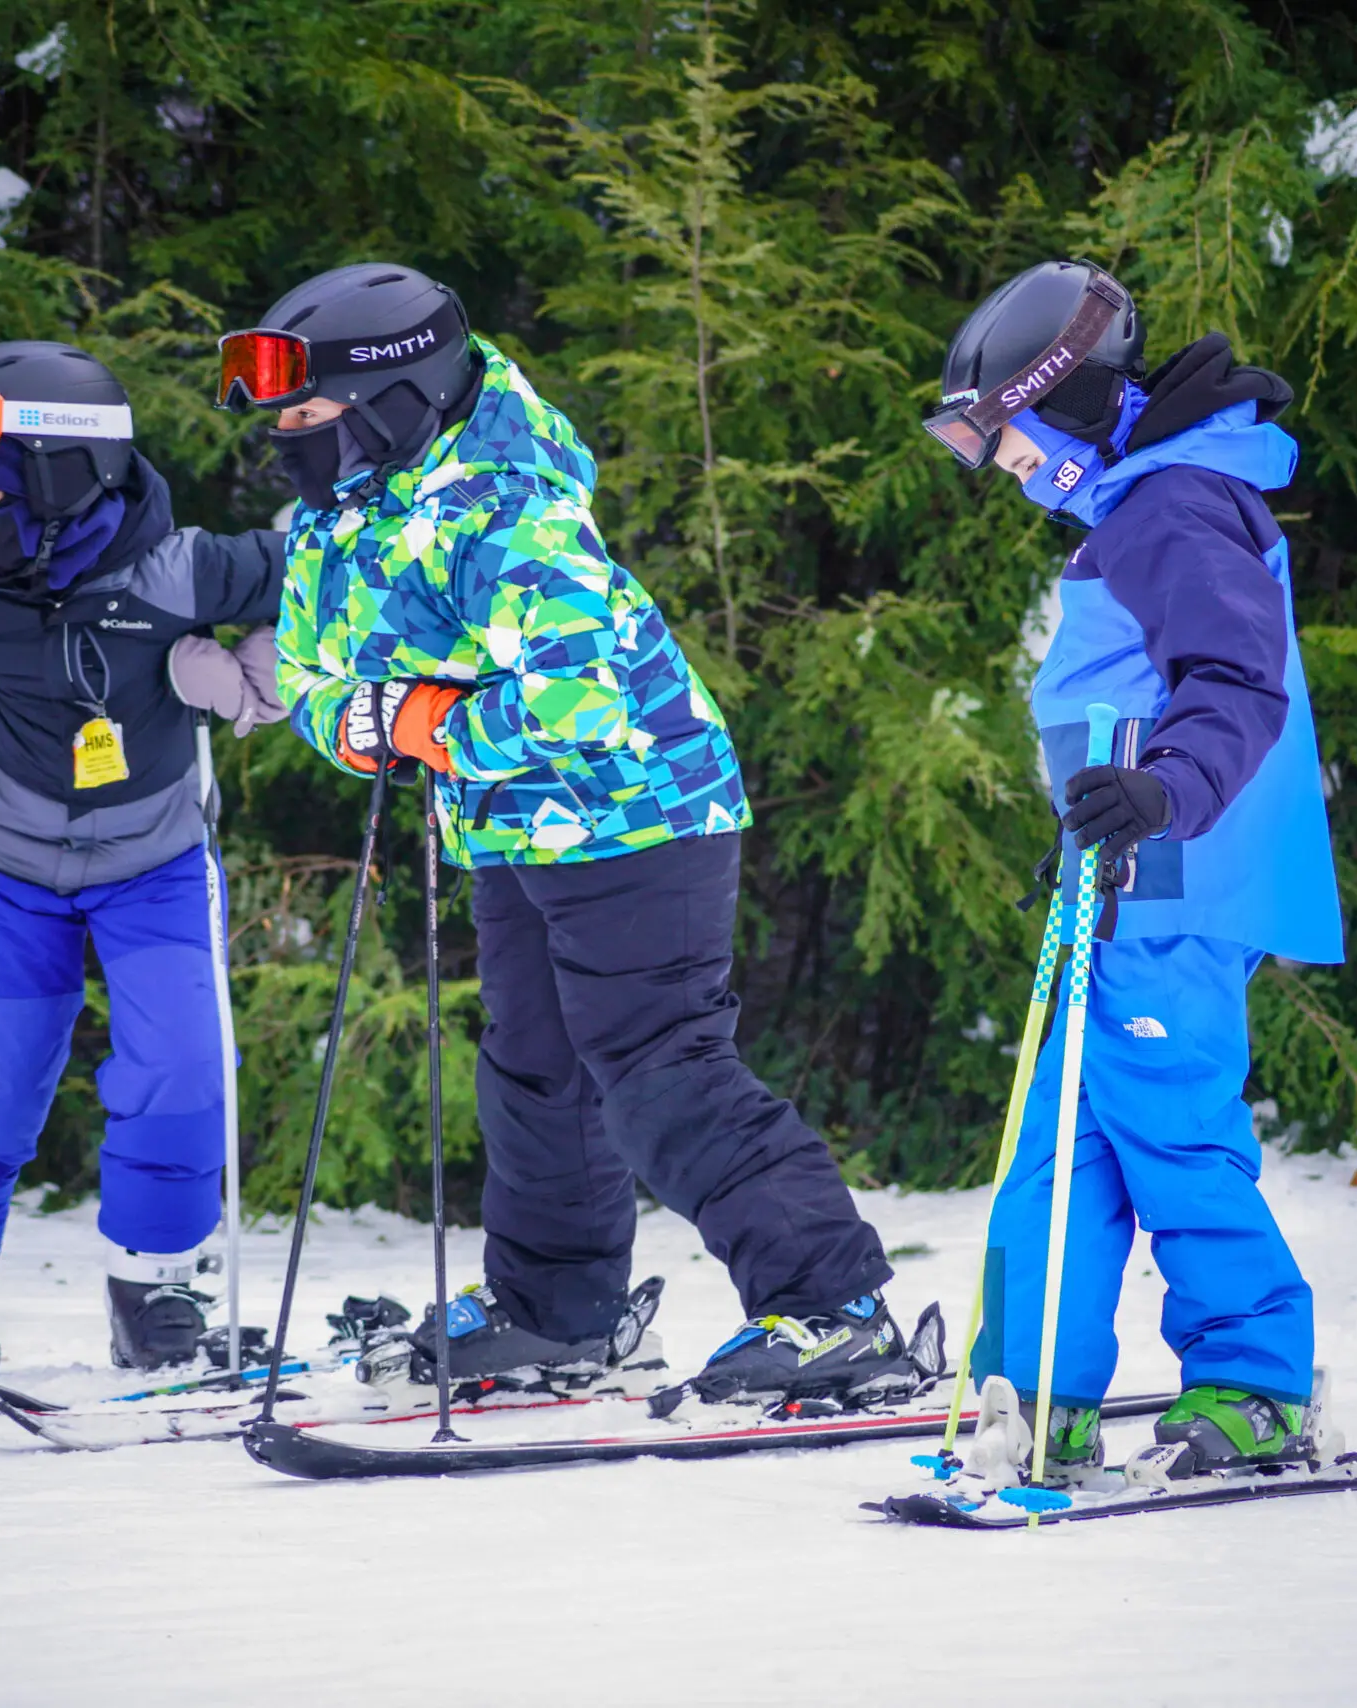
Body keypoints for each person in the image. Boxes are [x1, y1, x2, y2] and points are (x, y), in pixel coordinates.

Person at [218, 263, 922, 1406]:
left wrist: (431, 723)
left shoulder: (512, 504)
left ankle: (833, 1307)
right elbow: (302, 665)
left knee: (658, 1066)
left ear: (394, 397)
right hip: (509, 827)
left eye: (309, 415)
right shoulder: (340, 516)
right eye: (281, 421)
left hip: (638, 809)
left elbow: (579, 695)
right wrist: (357, 724)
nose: (289, 441)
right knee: (533, 1075)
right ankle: (560, 1313)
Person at [926, 260, 1344, 1480]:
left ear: (1071, 405)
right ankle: (1035, 1386)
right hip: (1119, 884)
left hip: (1182, 876)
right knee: (1062, 1142)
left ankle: (1257, 1380)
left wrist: (1164, 792)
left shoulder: (1173, 506)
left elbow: (1233, 680)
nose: (1008, 472)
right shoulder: (1140, 507)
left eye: (1009, 445)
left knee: (1168, 1128)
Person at [0, 341, 287, 1378]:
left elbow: (297, 581)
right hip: (6, 863)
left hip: (156, 860)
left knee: (182, 1066)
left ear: (56, 475)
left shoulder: (179, 571)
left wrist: (245, 679)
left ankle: (156, 1288)